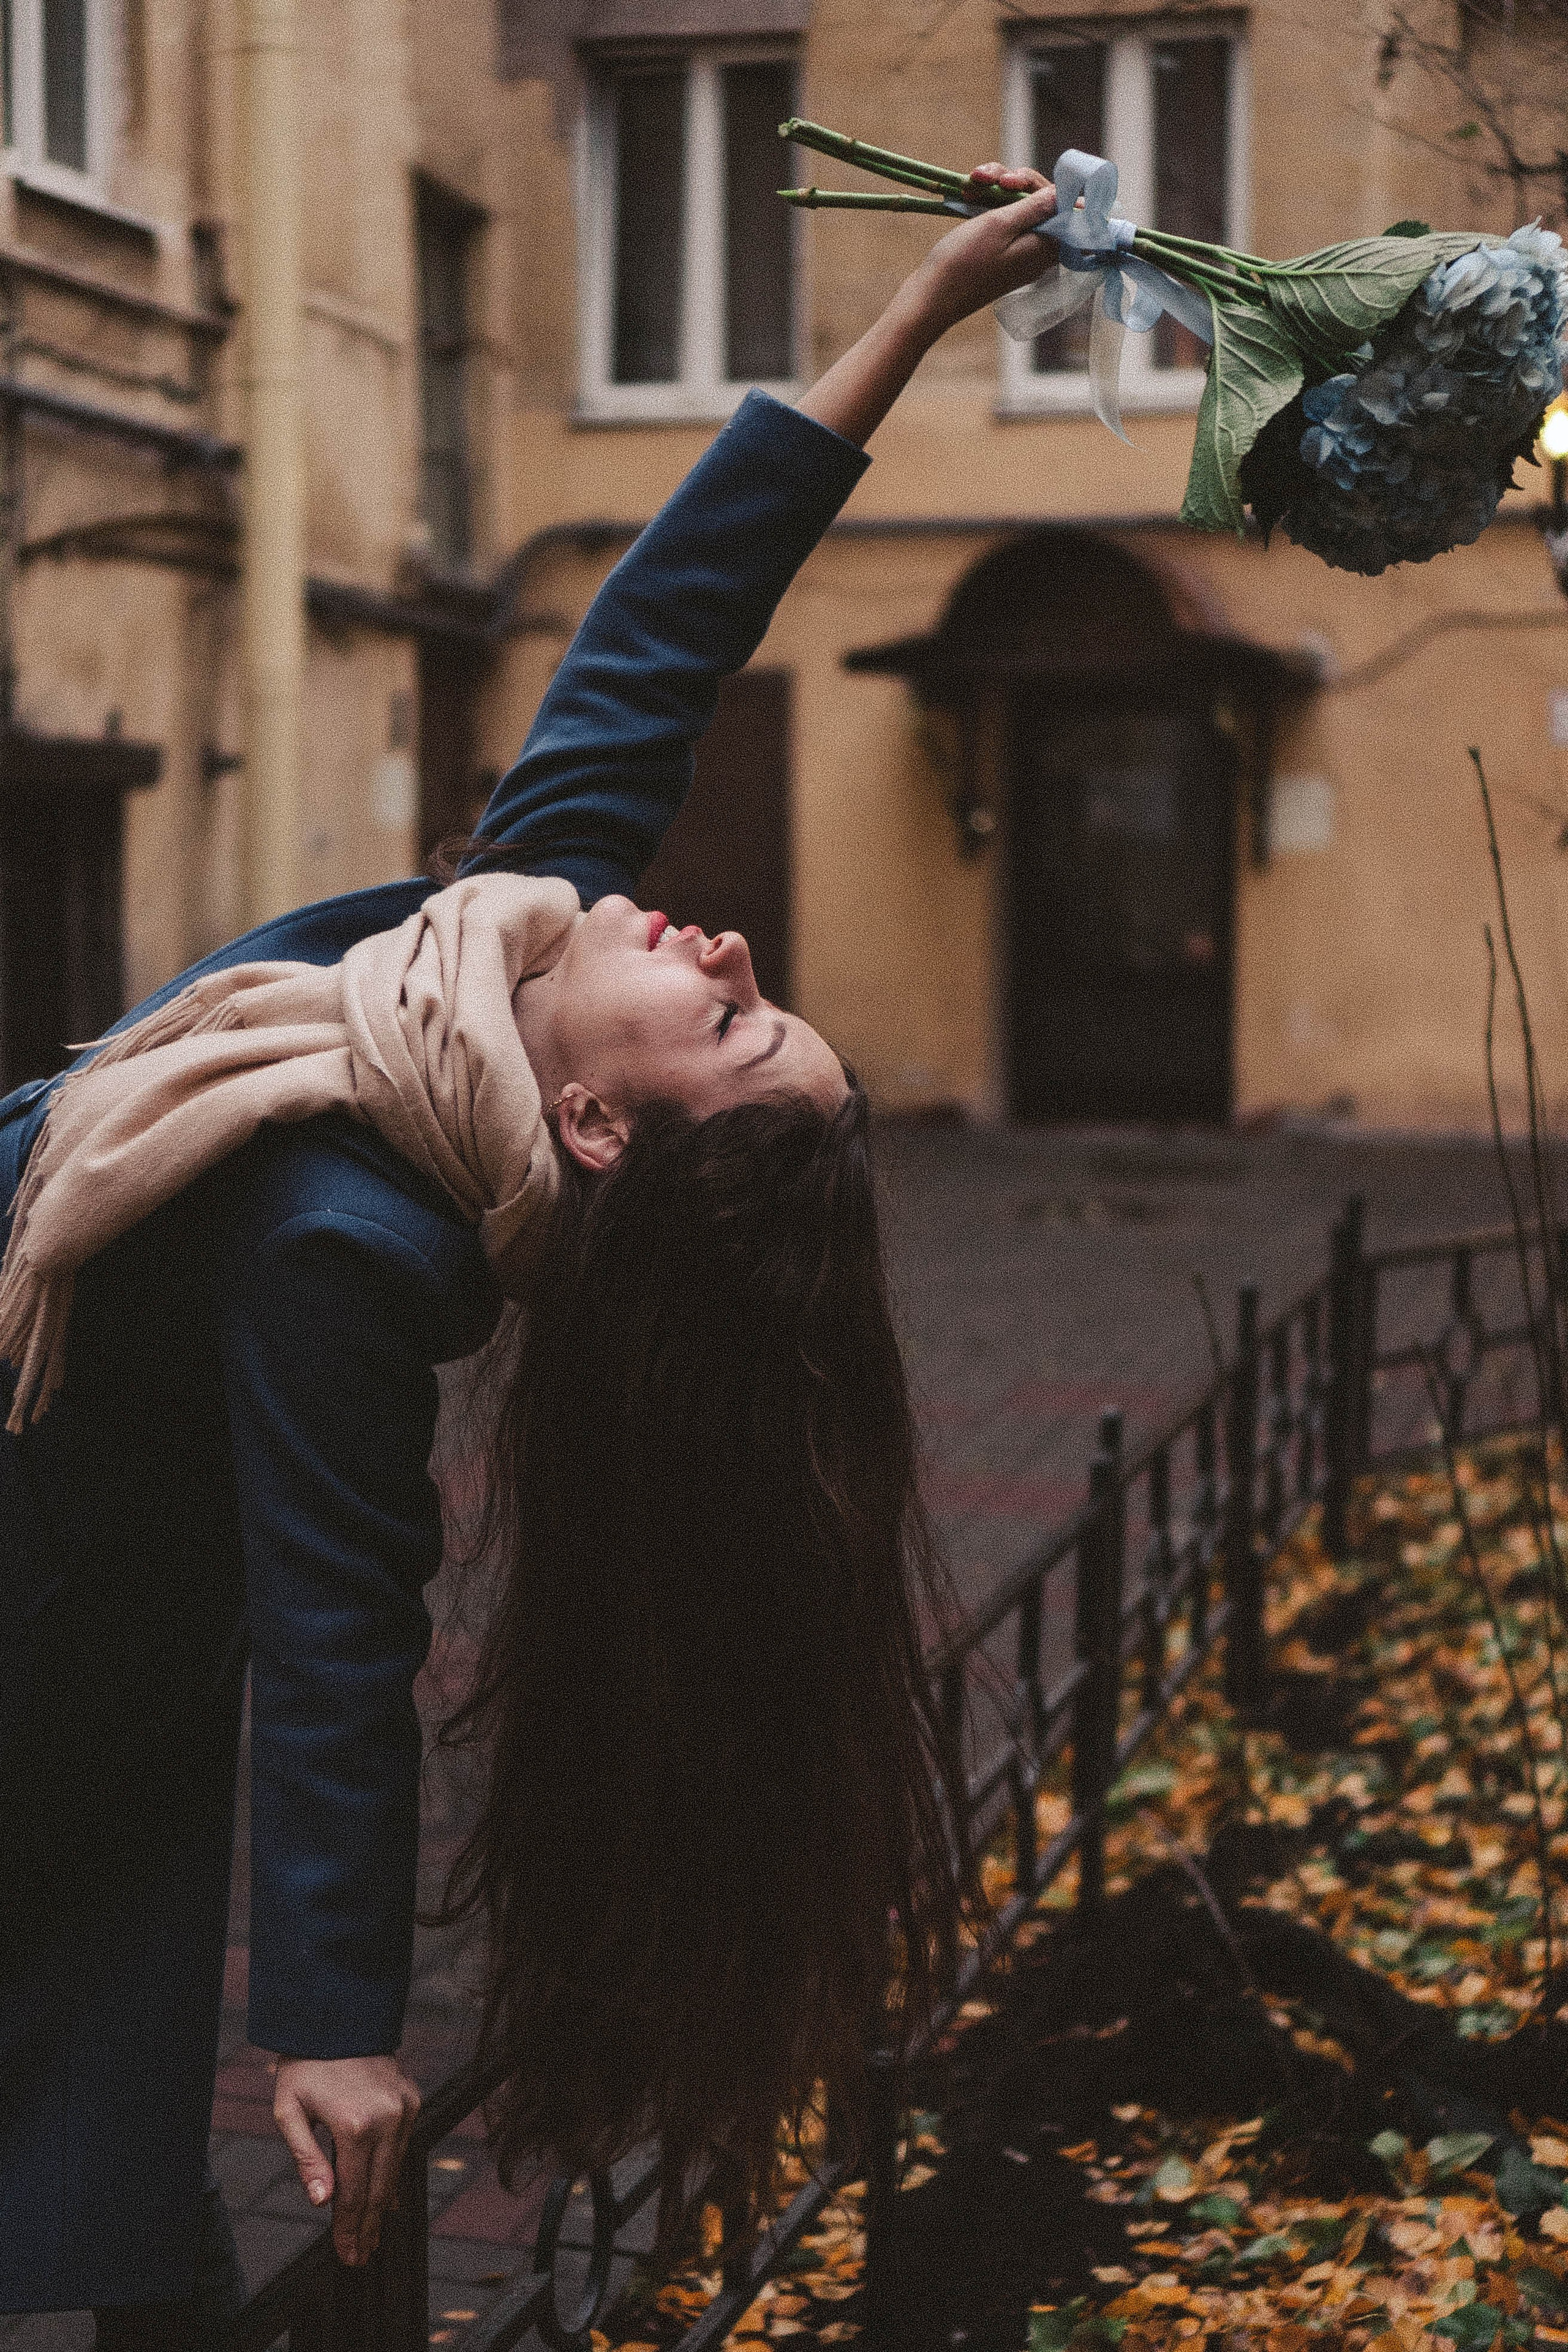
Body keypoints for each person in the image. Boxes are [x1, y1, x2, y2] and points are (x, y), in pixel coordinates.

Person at [0, 165, 1058, 2346]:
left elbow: (338, 1631)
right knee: (97, 2205)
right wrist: (932, 306)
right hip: (78, 1577)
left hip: (45, 1636)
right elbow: (674, 610)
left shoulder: (351, 1232)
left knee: (99, 2181)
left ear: (589, 1124)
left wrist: (332, 2022)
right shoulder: (489, 944)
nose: (736, 943)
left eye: (740, 1025)